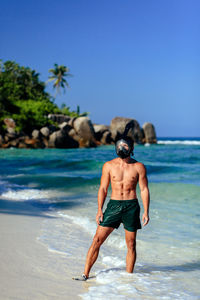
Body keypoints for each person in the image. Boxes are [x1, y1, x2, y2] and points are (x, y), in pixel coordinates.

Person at [73, 136, 150, 281]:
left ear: (131, 148)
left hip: (131, 206)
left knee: (131, 244)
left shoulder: (138, 167)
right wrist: (99, 209)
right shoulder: (108, 165)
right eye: (119, 145)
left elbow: (144, 189)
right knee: (97, 240)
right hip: (113, 206)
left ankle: (129, 279)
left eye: (125, 145)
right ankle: (85, 274)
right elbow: (103, 188)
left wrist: (146, 211)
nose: (122, 148)